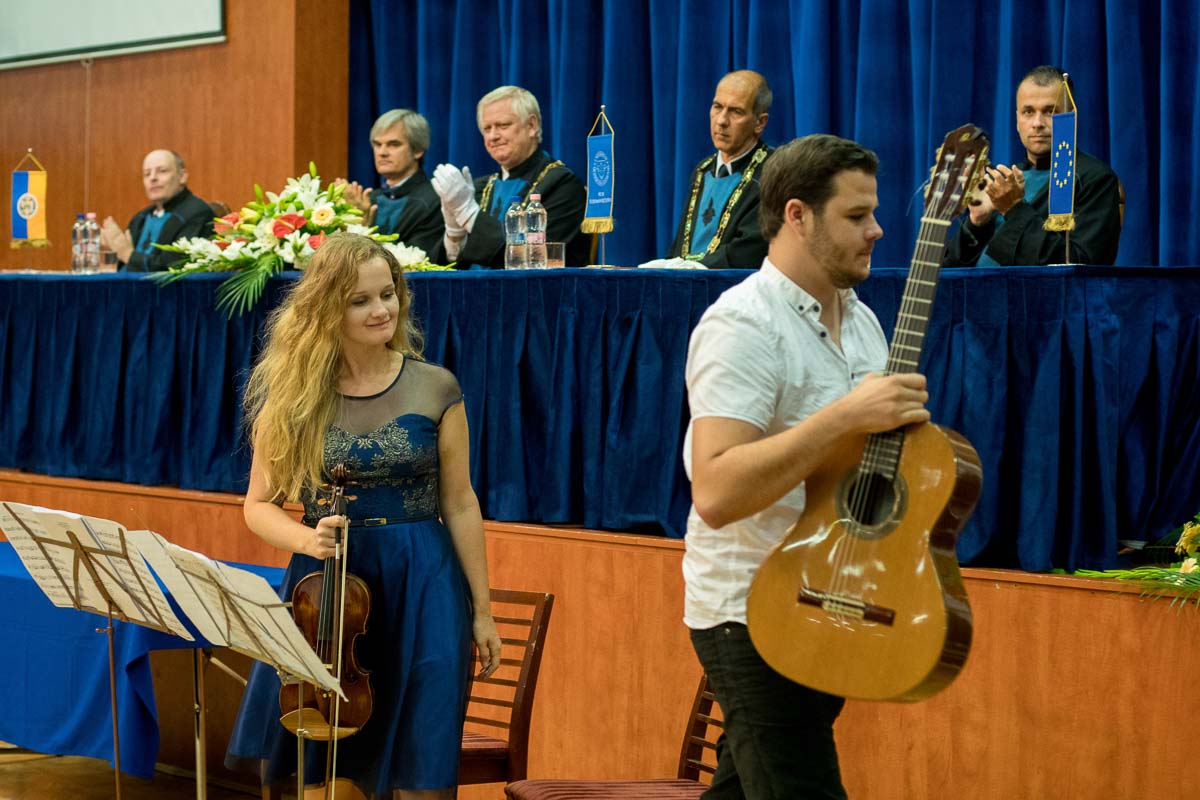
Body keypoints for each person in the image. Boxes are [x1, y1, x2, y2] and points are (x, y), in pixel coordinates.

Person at [682, 135, 930, 798]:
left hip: (828, 596)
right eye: (856, 215)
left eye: (874, 212)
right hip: (749, 610)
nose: (877, 230)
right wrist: (846, 416)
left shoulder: (864, 323)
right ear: (797, 215)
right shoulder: (742, 326)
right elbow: (716, 491)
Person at [224, 233, 502, 800]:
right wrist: (308, 538)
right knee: (325, 766)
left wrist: (483, 610)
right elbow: (258, 505)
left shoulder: (436, 386)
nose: (381, 310)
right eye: (360, 300)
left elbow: (460, 502)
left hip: (423, 584)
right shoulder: (293, 395)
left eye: (388, 294)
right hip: (326, 591)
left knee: (421, 762)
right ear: (327, 309)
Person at [943, 65, 1122, 266]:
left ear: (1071, 117)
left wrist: (1013, 208)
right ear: (1017, 120)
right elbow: (950, 270)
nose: (1037, 123)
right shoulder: (1005, 180)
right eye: (1028, 112)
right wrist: (977, 222)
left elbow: (1079, 266)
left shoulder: (1094, 179)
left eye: (1050, 112)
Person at [431, 85, 588, 268]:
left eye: (503, 126)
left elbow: (536, 261)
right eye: (487, 128)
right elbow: (443, 270)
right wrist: (454, 235)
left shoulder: (562, 184)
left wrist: (469, 214)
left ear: (532, 126)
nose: (493, 136)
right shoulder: (480, 187)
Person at [660, 70, 774, 269]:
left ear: (760, 122)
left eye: (736, 111)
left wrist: (695, 269)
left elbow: (749, 250)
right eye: (717, 107)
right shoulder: (703, 171)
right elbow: (681, 247)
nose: (721, 121)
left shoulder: (772, 172)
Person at [341, 109, 444, 255]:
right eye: (377, 144)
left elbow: (415, 260)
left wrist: (362, 229)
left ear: (418, 150)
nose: (382, 152)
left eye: (393, 144)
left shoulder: (435, 200)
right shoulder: (369, 199)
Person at [99, 149, 215, 272]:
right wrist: (112, 250)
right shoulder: (140, 218)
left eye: (162, 171)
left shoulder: (197, 213)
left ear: (182, 176)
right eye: (147, 174)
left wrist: (128, 254)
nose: (153, 178)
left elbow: (173, 267)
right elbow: (123, 264)